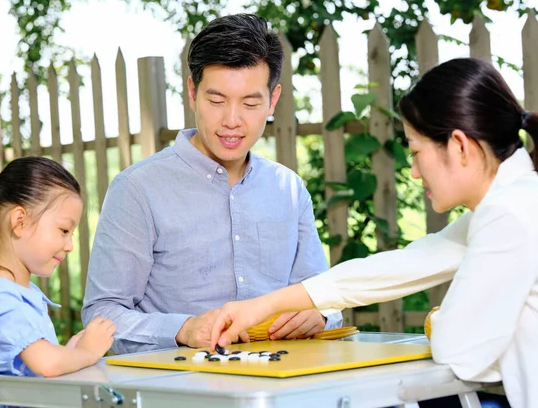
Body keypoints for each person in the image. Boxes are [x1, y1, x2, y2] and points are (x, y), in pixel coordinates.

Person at [210, 58, 538, 408]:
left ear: (459, 145)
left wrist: (442, 318)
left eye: (415, 152)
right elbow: (405, 265)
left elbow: (458, 349)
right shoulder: (512, 202)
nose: (413, 171)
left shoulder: (509, 214)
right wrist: (260, 307)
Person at [82, 13, 342, 354]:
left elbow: (322, 296)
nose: (232, 121)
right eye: (216, 101)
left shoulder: (288, 189)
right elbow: (101, 314)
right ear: (192, 92)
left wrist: (320, 315)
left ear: (272, 100)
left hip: (284, 381)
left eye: (250, 103)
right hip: (179, 389)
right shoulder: (138, 189)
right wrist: (183, 329)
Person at [0, 157, 116, 408]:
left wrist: (71, 351)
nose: (70, 245)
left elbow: (35, 369)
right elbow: (47, 364)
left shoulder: (16, 292)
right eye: (64, 230)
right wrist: (86, 353)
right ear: (19, 222)